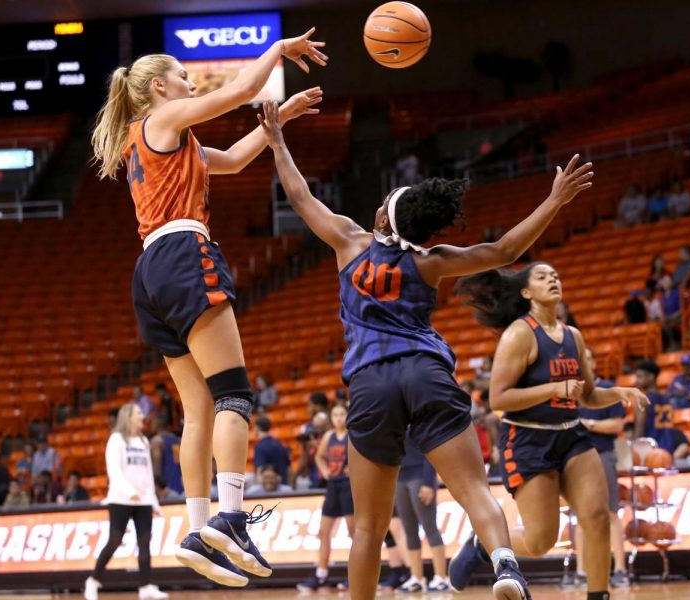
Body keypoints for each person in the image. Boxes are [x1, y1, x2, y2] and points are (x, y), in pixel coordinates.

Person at [261, 99, 595, 600]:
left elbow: (300, 194)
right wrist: (554, 201)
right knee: (473, 491)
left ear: (381, 216)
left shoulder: (349, 242)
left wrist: (277, 140)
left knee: (370, 527)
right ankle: (506, 566)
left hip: (371, 382)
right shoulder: (431, 262)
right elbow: (504, 252)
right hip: (426, 372)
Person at [90, 27, 327, 587]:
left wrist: (279, 123)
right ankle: (233, 517)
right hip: (181, 252)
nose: (190, 82)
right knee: (234, 394)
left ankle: (200, 530)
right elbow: (238, 89)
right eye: (182, 76)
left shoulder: (162, 141)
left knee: (197, 409)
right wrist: (277, 51)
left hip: (150, 270)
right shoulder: (161, 121)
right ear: (155, 87)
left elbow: (239, 160)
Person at [452, 263, 647, 600]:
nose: (553, 279)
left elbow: (585, 394)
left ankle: (598, 596)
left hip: (571, 436)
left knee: (598, 516)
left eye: (556, 275)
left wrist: (617, 393)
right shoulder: (519, 334)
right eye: (542, 277)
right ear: (526, 292)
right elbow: (499, 398)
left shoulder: (573, 336)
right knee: (541, 542)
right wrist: (553, 389)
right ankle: (484, 544)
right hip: (528, 440)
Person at [84, 403, 166, 600]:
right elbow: (114, 471)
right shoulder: (116, 439)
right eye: (138, 413)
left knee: (145, 542)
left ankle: (145, 587)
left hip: (143, 500)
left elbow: (148, 475)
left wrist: (153, 501)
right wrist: (130, 492)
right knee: (114, 540)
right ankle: (93, 581)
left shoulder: (144, 441)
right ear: (128, 417)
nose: (142, 416)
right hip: (120, 499)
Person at [575, 348, 630, 589]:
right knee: (580, 515)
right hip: (576, 458)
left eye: (588, 358)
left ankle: (619, 569)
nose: (584, 362)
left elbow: (617, 425)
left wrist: (589, 423)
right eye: (580, 359)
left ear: (594, 362)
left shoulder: (607, 389)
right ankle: (581, 570)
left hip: (603, 455)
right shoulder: (568, 391)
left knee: (610, 512)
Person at [297, 404, 355, 592]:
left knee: (354, 533)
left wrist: (353, 470)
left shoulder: (353, 435)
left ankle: (354, 575)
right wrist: (325, 472)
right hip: (333, 485)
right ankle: (321, 574)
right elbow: (320, 457)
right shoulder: (329, 436)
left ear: (348, 415)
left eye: (342, 414)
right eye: (335, 415)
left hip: (349, 486)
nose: (338, 418)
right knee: (324, 532)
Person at [394, 434, 450, 593]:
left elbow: (430, 452)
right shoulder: (394, 421)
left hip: (419, 476)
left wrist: (428, 482)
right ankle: (417, 578)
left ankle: (441, 577)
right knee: (409, 529)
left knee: (429, 526)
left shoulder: (419, 420)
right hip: (399, 478)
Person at [633, 361, 685, 455]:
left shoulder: (642, 399)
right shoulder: (667, 398)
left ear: (651, 377)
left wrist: (635, 451)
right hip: (668, 450)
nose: (636, 381)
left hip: (651, 452)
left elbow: (639, 429)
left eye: (640, 376)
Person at [149, 411, 184, 496]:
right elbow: (178, 463)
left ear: (157, 423)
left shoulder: (156, 441)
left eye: (152, 421)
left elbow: (157, 470)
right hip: (179, 486)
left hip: (164, 489)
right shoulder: (177, 440)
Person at [252, 415, 291, 485]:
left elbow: (259, 472)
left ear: (257, 428)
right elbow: (289, 470)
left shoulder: (260, 447)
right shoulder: (280, 444)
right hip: (283, 487)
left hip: (269, 489)